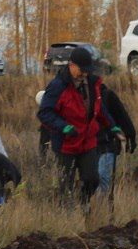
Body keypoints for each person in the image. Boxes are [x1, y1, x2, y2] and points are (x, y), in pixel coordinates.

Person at [38, 46, 116, 203]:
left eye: (87, 70)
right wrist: (63, 126)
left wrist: (112, 125)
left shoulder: (92, 83)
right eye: (82, 70)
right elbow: (44, 113)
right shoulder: (58, 86)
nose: (85, 74)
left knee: (92, 180)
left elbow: (98, 108)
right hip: (66, 144)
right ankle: (66, 213)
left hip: (87, 142)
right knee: (65, 185)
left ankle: (83, 202)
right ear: (71, 65)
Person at [96, 84, 136, 198]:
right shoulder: (80, 96)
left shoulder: (108, 96)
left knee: (103, 179)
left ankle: (103, 211)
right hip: (89, 147)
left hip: (107, 144)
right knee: (93, 180)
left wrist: (130, 137)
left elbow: (123, 117)